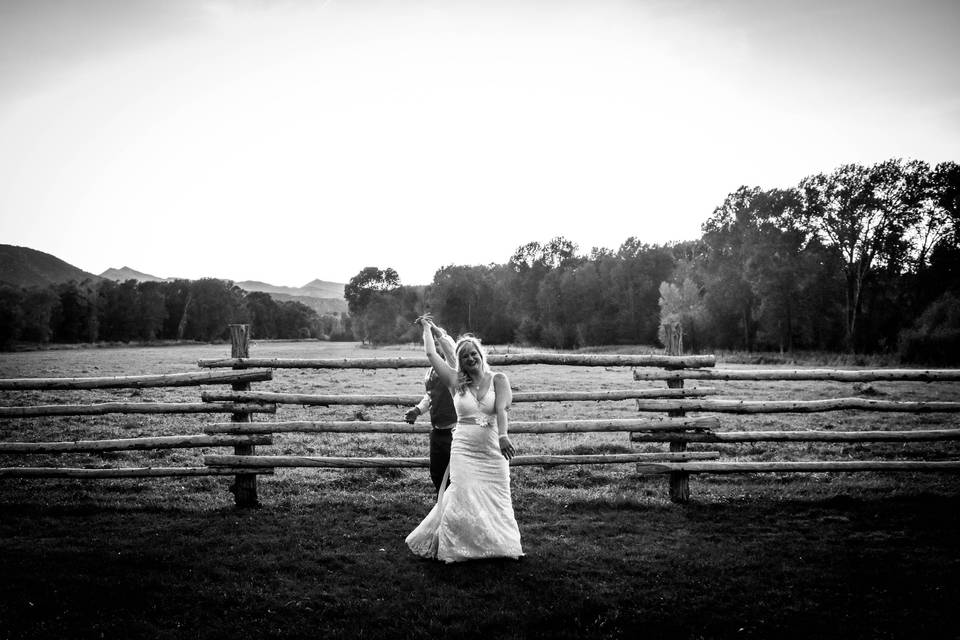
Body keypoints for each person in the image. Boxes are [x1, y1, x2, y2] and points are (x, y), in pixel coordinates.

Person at [405, 316, 523, 563]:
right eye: (465, 356)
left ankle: (501, 545)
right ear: (460, 361)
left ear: (481, 354)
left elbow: (501, 409)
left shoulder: (499, 379)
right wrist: (427, 329)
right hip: (464, 449)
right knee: (462, 494)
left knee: (498, 493)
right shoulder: (455, 382)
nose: (470, 358)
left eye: (473, 353)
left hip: (492, 448)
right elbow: (431, 354)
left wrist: (503, 437)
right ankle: (457, 547)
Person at [403, 323, 457, 492]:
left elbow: (449, 348)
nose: (435, 344)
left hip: (454, 432)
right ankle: (442, 506)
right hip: (437, 431)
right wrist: (417, 410)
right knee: (437, 473)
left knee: (455, 476)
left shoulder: (453, 365)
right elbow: (430, 395)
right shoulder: (431, 371)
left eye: (437, 341)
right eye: (432, 341)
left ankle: (454, 508)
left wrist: (432, 329)